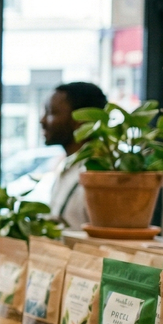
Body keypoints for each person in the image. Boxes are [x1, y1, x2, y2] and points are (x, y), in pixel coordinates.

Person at [36, 81, 109, 228]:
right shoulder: (68, 166)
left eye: (52, 113)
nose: (42, 120)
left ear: (80, 121)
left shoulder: (99, 173)